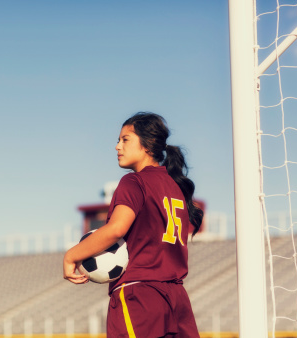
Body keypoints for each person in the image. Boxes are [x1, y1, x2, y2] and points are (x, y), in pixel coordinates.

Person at [63, 112, 203, 338]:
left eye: (125, 139)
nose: (117, 146)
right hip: (177, 298)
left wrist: (71, 256)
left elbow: (116, 229)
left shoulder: (134, 181)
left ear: (147, 145)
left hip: (140, 295)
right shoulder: (176, 186)